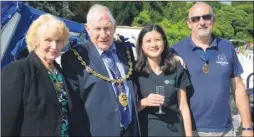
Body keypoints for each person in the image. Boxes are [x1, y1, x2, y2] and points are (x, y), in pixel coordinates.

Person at [171, 2, 253, 137]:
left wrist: (247, 128)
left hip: (225, 130)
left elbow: (238, 88)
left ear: (213, 19)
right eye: (196, 19)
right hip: (190, 130)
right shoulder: (176, 50)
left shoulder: (227, 47)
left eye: (206, 17)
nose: (201, 22)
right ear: (189, 24)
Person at [61, 4, 140, 136]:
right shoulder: (75, 57)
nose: (103, 34)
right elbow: (74, 107)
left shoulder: (125, 50)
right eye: (97, 28)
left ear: (114, 28)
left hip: (130, 131)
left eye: (107, 28)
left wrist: (172, 57)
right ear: (87, 28)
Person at [1, 14, 71, 136]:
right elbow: (5, 121)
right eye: (48, 40)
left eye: (58, 40)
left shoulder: (60, 71)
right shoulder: (18, 70)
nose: (54, 46)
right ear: (36, 41)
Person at [134, 24, 193, 136]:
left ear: (164, 42)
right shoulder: (135, 72)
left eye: (157, 40)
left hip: (174, 131)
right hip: (147, 131)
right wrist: (144, 102)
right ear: (141, 45)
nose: (153, 44)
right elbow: (130, 109)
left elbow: (184, 107)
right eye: (148, 41)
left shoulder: (177, 69)